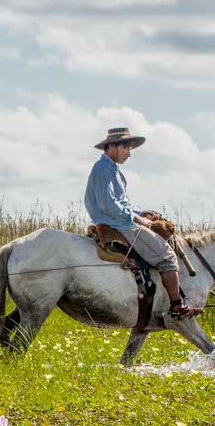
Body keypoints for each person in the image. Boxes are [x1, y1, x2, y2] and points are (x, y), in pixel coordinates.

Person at [84, 127, 204, 319]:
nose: (129, 153)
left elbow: (118, 204)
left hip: (120, 221)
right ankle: (176, 306)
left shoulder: (111, 169)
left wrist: (142, 214)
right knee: (167, 256)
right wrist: (138, 219)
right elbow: (108, 204)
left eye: (130, 148)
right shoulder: (103, 168)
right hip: (120, 225)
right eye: (126, 148)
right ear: (112, 146)